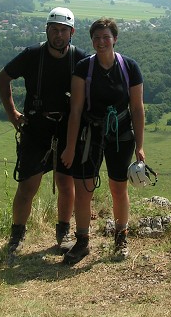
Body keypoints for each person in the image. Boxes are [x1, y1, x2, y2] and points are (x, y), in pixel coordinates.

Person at [0, 7, 87, 259]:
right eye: (54, 30)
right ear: (47, 30)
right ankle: (17, 234)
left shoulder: (80, 58)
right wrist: (12, 113)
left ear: (72, 33)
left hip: (67, 128)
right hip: (36, 127)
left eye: (63, 30)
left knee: (66, 183)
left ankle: (63, 232)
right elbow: (3, 78)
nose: (58, 35)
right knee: (28, 185)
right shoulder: (32, 55)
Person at [61, 17, 145, 264]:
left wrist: (140, 146)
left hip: (121, 135)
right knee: (83, 189)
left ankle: (121, 237)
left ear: (115, 39)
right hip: (90, 135)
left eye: (105, 37)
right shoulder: (83, 68)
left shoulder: (130, 67)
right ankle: (82, 241)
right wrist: (69, 146)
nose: (100, 42)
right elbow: (75, 110)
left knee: (119, 188)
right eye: (96, 38)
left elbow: (137, 109)